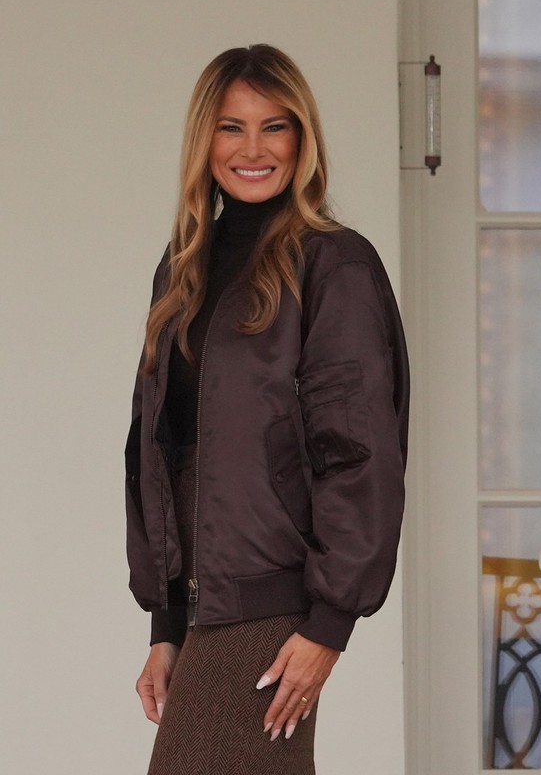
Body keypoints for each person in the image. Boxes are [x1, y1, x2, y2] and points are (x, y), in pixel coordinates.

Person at [124, 44, 409, 774]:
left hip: (276, 601)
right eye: (231, 128)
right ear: (203, 141)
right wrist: (167, 621)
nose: (254, 149)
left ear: (301, 140)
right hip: (201, 603)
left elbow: (360, 451)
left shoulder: (332, 263)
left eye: (275, 127)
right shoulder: (183, 267)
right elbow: (155, 450)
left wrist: (330, 623)